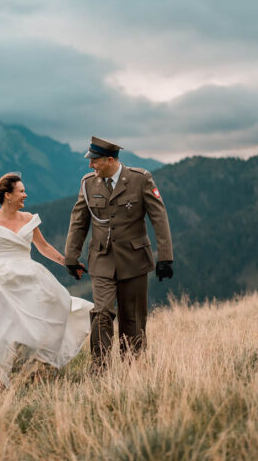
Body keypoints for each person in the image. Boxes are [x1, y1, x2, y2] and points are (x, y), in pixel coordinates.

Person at [0, 172, 93, 386]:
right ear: (8, 195)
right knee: (7, 330)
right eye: (21, 191)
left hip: (29, 277)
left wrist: (67, 263)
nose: (25, 195)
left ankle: (37, 370)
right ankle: (1, 376)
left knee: (42, 322)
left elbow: (43, 247)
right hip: (1, 280)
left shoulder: (28, 219)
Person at [65, 136, 174, 370]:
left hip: (134, 260)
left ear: (110, 160)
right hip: (101, 259)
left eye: (95, 161)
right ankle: (100, 367)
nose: (90, 166)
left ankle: (131, 367)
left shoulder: (140, 179)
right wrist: (71, 258)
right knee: (102, 312)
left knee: (132, 318)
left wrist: (165, 257)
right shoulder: (87, 183)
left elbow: (159, 218)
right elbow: (79, 222)